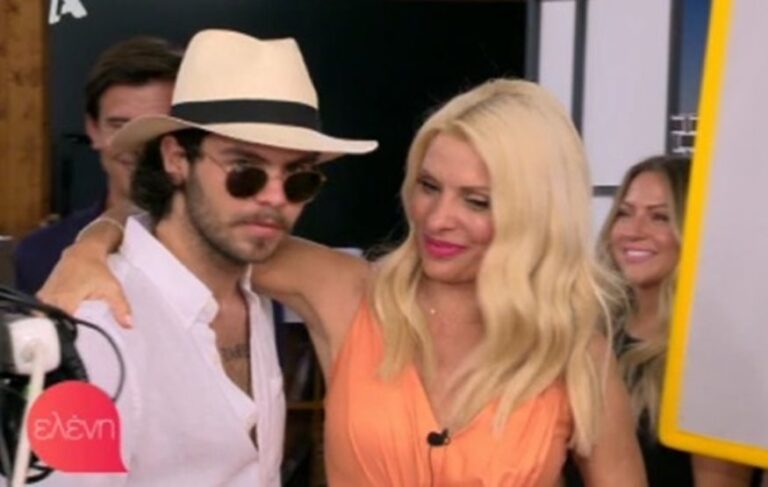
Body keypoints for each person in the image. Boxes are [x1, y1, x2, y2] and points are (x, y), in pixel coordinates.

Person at [42, 79, 645, 485]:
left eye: (477, 200)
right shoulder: (347, 291)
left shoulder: (577, 357)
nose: (438, 219)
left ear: (536, 212)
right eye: (429, 186)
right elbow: (188, 223)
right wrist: (88, 249)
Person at [37, 29, 376, 486]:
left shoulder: (253, 291)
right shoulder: (96, 331)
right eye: (245, 172)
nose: (275, 198)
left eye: (299, 179)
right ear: (176, 158)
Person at [597, 155, 760, 486]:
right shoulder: (591, 334)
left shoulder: (713, 363)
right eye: (625, 213)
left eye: (660, 217)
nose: (633, 231)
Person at [13, 36, 181, 295]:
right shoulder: (40, 253)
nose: (138, 144)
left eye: (155, 127)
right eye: (120, 126)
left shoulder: (224, 242)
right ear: (93, 129)